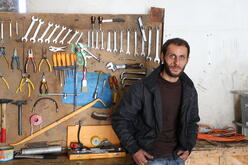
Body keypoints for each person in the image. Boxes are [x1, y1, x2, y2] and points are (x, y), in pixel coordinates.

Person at [112, 38, 200, 165]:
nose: (176, 62)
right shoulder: (142, 88)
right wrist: (134, 149)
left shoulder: (189, 89)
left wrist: (188, 147)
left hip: (177, 158)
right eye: (172, 56)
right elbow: (119, 119)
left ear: (187, 60)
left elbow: (192, 122)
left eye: (182, 57)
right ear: (162, 56)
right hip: (149, 159)